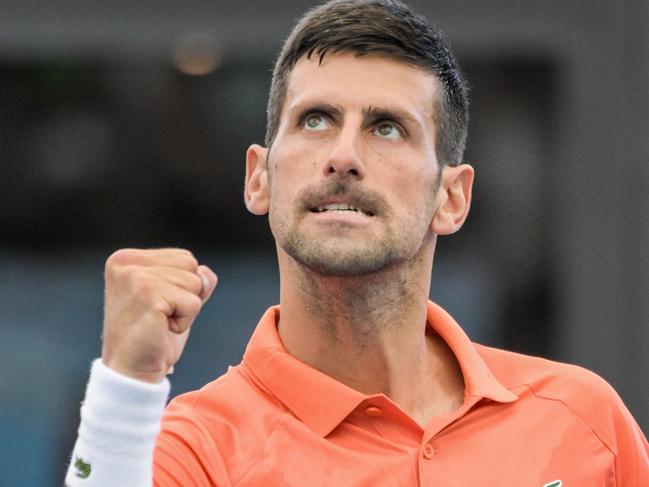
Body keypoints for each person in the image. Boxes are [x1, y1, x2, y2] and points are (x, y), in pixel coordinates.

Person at [65, 0, 649, 485]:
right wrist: (126, 384)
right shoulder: (194, 451)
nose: (343, 156)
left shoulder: (582, 420)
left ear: (452, 198)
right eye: (315, 119)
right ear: (259, 178)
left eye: (386, 127)